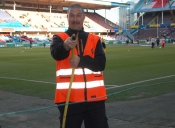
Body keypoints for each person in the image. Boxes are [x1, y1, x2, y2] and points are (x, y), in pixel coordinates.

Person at [50, 4, 108, 128]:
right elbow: (56, 54)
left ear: (83, 17)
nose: (75, 19)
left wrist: (81, 61)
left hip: (95, 100)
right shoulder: (59, 38)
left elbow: (101, 64)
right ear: (67, 17)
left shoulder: (96, 39)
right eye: (71, 16)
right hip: (69, 100)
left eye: (78, 15)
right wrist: (65, 46)